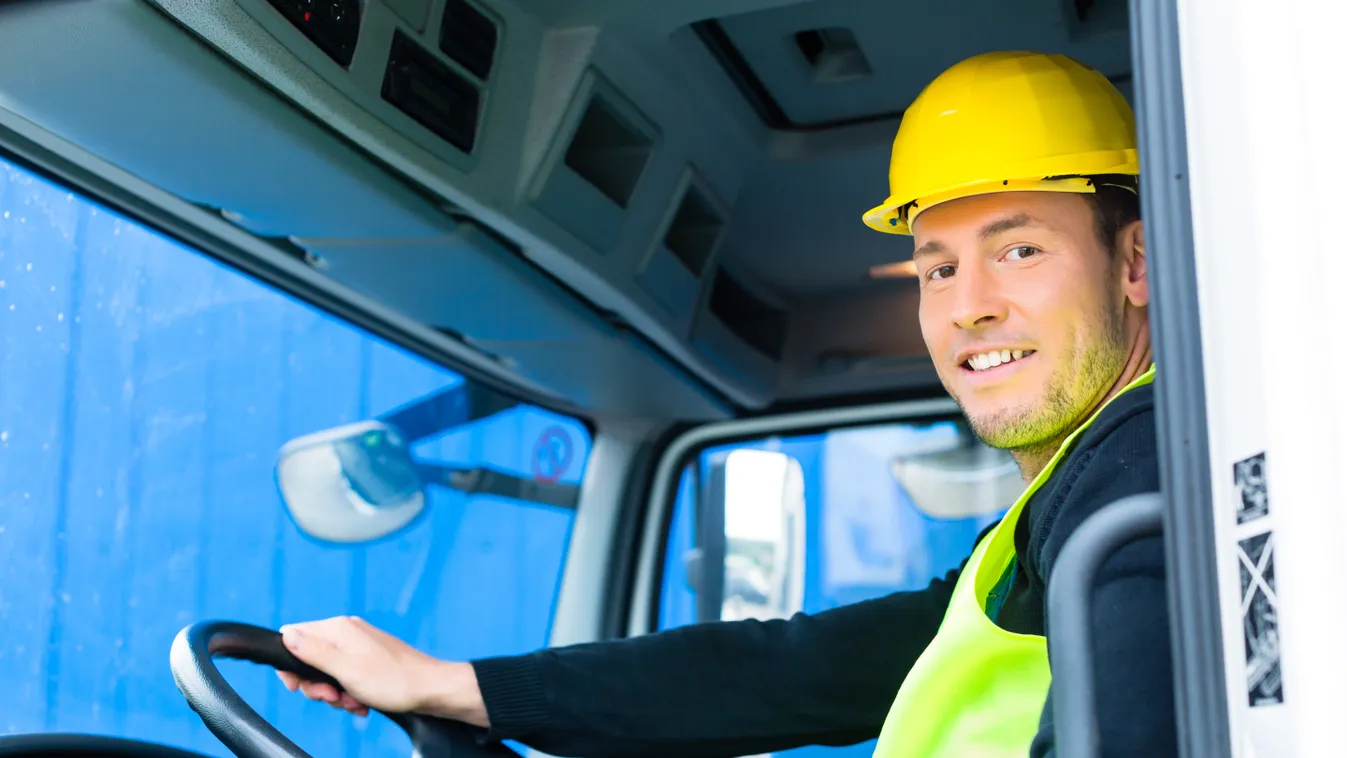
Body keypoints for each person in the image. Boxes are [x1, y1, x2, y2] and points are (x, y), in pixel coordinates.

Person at [276, 50, 1176, 758]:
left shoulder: (1139, 477)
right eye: (937, 266)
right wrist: (454, 686)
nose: (967, 303)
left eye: (1017, 250)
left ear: (1134, 263)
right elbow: (803, 672)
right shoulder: (1058, 512)